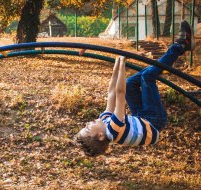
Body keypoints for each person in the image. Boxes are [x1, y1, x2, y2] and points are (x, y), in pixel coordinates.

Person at [77, 20, 195, 156]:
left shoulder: (105, 120)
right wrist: (122, 63)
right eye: (87, 128)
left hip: (141, 117)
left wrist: (116, 63)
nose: (87, 124)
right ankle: (180, 45)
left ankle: (180, 47)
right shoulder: (113, 130)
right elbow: (120, 95)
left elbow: (112, 93)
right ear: (100, 136)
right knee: (147, 76)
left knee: (129, 83)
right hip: (154, 121)